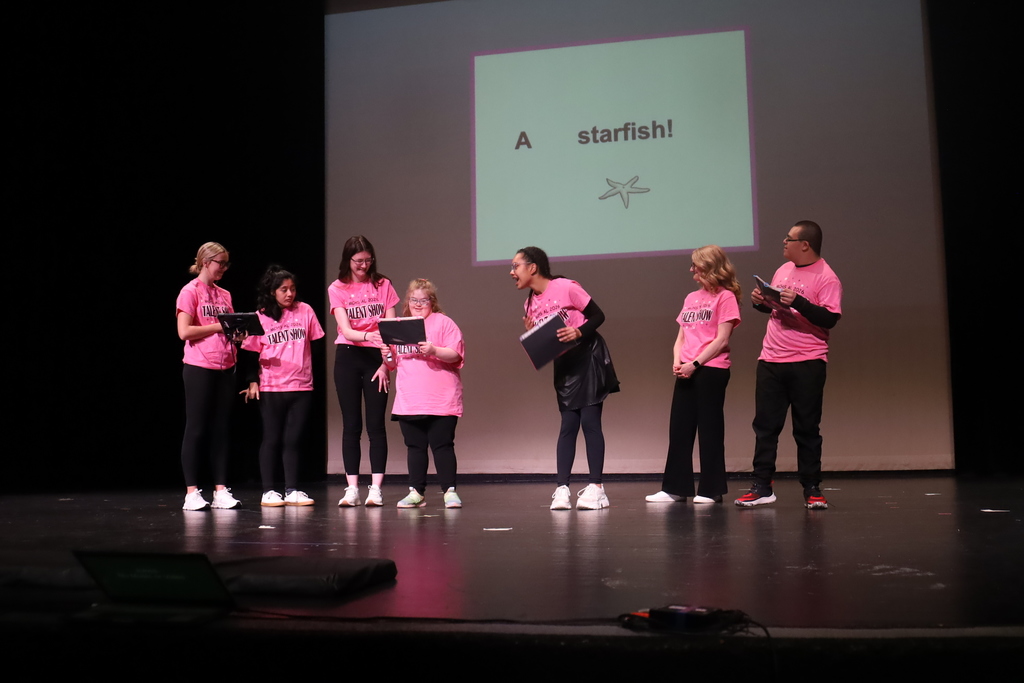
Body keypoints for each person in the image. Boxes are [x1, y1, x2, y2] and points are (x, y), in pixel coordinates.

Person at [735, 220, 842, 509]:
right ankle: (762, 486)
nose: (784, 242)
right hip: (771, 358)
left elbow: (830, 318)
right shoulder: (783, 270)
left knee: (806, 428)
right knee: (765, 426)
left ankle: (812, 488)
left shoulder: (827, 277)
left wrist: (800, 302)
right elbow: (777, 306)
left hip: (808, 360)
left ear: (804, 244)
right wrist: (761, 301)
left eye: (789, 238)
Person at [511, 246, 620, 511]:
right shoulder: (529, 302)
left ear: (532, 267)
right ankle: (562, 489)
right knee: (568, 425)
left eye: (516, 266)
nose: (511, 272)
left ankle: (597, 488)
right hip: (565, 365)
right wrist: (533, 335)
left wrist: (579, 332)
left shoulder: (566, 287)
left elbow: (598, 315)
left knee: (590, 422)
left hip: (589, 356)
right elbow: (548, 342)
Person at [647, 245, 741, 505]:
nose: (691, 270)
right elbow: (681, 337)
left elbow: (722, 340)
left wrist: (695, 363)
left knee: (710, 430)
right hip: (687, 369)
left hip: (711, 369)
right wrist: (678, 362)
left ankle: (711, 490)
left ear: (710, 266)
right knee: (679, 429)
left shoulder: (726, 298)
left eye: (696, 265)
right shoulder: (690, 298)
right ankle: (675, 488)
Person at [241, 265, 325, 507]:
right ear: (272, 291)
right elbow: (250, 352)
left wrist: (305, 369)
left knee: (293, 439)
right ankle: (268, 491)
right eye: (283, 289)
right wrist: (252, 380)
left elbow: (317, 343)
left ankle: (292, 490)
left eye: (292, 289)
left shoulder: (305, 310)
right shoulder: (261, 316)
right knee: (272, 438)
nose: (289, 294)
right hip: (271, 387)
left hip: (301, 387)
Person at [328, 235, 398, 507]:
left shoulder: (383, 284)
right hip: (348, 355)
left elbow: (391, 330)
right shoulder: (338, 287)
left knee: (376, 425)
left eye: (368, 260)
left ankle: (376, 488)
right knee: (351, 425)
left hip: (377, 357)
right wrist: (369, 336)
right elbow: (345, 330)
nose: (364, 266)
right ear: (348, 260)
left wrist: (386, 363)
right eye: (358, 261)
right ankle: (352, 488)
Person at [382, 279, 465, 509]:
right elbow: (392, 364)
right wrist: (385, 353)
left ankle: (449, 491)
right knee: (415, 447)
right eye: (414, 300)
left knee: (442, 445)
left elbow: (456, 355)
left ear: (432, 302)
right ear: (408, 301)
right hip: (410, 399)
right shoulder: (399, 326)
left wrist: (434, 350)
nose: (418, 304)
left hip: (440, 399)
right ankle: (416, 492)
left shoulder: (444, 323)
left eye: (423, 300)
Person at [175, 242, 243, 511]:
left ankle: (221, 490)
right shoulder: (189, 292)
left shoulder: (224, 294)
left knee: (221, 429)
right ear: (205, 262)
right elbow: (184, 332)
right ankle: (191, 492)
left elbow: (227, 330)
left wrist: (237, 333)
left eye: (227, 264)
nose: (224, 269)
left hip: (225, 365)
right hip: (199, 366)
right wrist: (219, 325)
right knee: (196, 427)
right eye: (220, 263)